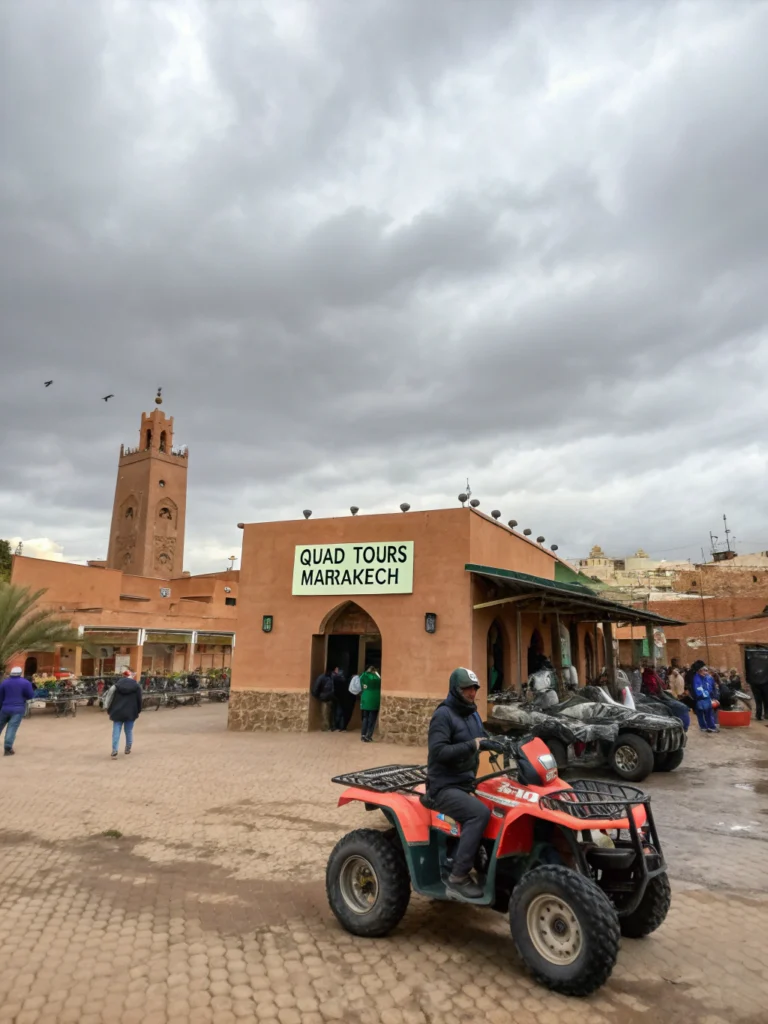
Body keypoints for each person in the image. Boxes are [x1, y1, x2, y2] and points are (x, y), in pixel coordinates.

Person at [426, 667, 506, 902]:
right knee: (478, 814)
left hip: (466, 782)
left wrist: (504, 743)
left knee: (500, 805)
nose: (472, 693)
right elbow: (438, 751)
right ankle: (458, 878)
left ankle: (486, 864)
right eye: (467, 689)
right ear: (455, 689)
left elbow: (482, 739)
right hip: (443, 786)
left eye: (474, 688)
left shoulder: (471, 714)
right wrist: (473, 745)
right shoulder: (444, 715)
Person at [103, 667, 143, 758]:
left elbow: (109, 698)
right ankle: (128, 747)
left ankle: (114, 749)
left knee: (116, 731)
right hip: (131, 712)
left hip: (117, 711)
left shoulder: (116, 686)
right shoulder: (136, 686)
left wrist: (107, 708)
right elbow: (139, 700)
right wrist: (138, 710)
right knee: (128, 731)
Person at [0, 666, 35, 755]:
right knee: (12, 728)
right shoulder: (25, 683)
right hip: (18, 709)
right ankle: (8, 748)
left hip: (5, 708)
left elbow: (1, 696)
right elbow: (30, 695)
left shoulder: (4, 683)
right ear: (20, 673)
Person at [692, 664, 718, 733]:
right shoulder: (696, 678)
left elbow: (713, 688)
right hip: (699, 698)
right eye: (704, 670)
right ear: (699, 671)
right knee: (700, 714)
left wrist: (714, 697)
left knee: (708, 713)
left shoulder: (709, 678)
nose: (705, 672)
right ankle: (703, 727)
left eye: (706, 671)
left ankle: (710, 726)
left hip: (706, 698)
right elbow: (697, 689)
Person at [359, 665, 381, 742]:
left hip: (365, 699)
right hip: (374, 700)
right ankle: (369, 735)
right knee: (372, 719)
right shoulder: (376, 678)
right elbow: (380, 680)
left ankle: (363, 735)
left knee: (365, 718)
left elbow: (361, 683)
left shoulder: (364, 676)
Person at [330, 666, 348, 732]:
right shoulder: (341, 679)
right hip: (340, 697)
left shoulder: (333, 678)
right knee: (339, 713)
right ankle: (340, 727)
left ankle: (336, 726)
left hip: (336, 697)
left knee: (337, 713)